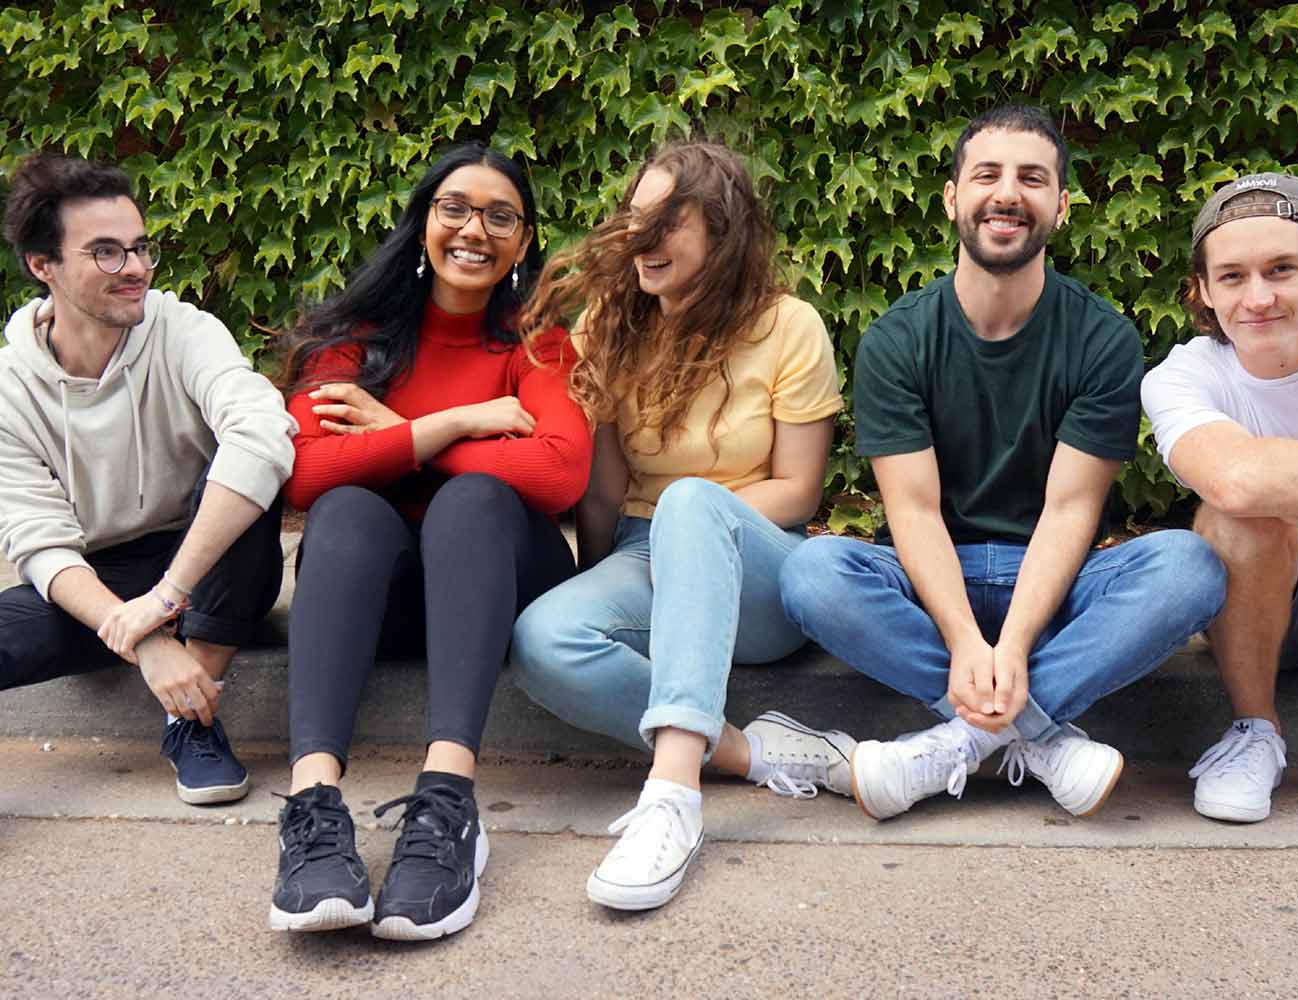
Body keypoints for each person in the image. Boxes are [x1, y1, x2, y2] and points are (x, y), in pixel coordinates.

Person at [775, 105, 1227, 823]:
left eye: (1032, 178)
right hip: (933, 579)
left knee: (1189, 567)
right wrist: (962, 641)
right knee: (811, 573)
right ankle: (1038, 736)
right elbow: (913, 511)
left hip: (1056, 580)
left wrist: (1012, 644)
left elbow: (1071, 508)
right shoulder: (898, 339)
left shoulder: (1102, 338)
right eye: (987, 175)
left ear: (1061, 207)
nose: (1007, 193)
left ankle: (954, 744)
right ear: (953, 198)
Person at [509, 142, 848, 911]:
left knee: (691, 504)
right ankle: (748, 751)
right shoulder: (609, 326)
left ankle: (672, 799)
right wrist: (602, 586)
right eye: (634, 219)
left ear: (722, 232)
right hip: (644, 554)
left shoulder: (789, 326)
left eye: (666, 221)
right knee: (542, 641)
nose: (640, 238)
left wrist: (688, 531)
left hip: (757, 563)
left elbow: (797, 491)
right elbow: (602, 494)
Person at [267, 144, 592, 939]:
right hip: (384, 599)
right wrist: (454, 424)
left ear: (522, 244)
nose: (473, 229)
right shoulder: (352, 337)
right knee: (345, 509)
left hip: (501, 584)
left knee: (474, 499)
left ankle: (447, 808)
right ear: (422, 225)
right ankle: (313, 811)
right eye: (455, 207)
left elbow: (558, 475)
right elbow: (303, 476)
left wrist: (402, 438)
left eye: (500, 216)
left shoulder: (537, 342)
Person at [0, 153, 294, 805]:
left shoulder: (185, 331)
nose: (134, 269)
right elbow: (38, 541)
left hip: (211, 560)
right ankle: (171, 669)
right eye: (105, 252)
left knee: (245, 476)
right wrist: (146, 639)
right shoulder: (9, 387)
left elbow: (262, 431)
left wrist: (166, 599)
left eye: (138, 248)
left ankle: (190, 721)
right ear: (42, 265)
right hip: (100, 580)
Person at [1142, 173, 1298, 823]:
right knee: (1234, 516)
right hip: (1276, 609)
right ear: (1202, 291)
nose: (1258, 297)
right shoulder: (1184, 375)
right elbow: (1238, 482)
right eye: (1232, 277)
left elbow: (1260, 478)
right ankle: (1256, 734)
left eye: (1281, 269)